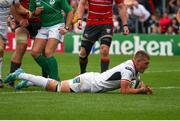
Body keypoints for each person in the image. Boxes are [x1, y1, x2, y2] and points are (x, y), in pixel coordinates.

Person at [4, 50, 152, 94]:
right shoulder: (128, 69)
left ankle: (28, 82)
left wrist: (143, 88)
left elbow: (136, 81)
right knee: (56, 87)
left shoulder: (132, 68)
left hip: (91, 80)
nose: (146, 66)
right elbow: (125, 91)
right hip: (87, 84)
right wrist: (140, 91)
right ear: (138, 61)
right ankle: (21, 74)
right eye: (145, 64)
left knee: (56, 86)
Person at [77, 0, 129, 74]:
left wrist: (125, 25)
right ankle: (82, 73)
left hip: (106, 23)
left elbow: (121, 6)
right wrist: (79, 19)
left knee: (104, 50)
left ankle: (103, 77)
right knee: (83, 53)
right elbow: (82, 3)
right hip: (91, 24)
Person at [29, 0, 74, 81]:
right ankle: (55, 77)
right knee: (35, 52)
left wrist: (66, 28)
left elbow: (70, 11)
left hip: (57, 25)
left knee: (48, 52)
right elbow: (30, 15)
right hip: (43, 26)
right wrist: (35, 13)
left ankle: (54, 81)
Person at [7, 0, 41, 87]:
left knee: (43, 51)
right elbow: (12, 6)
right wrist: (20, 19)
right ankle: (11, 78)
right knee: (21, 47)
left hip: (41, 23)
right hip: (23, 22)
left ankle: (45, 79)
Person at [0, 0, 30, 88]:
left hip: (3, 26)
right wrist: (18, 19)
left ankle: (9, 77)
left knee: (1, 51)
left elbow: (17, 6)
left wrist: (28, 12)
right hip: (17, 25)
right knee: (0, 49)